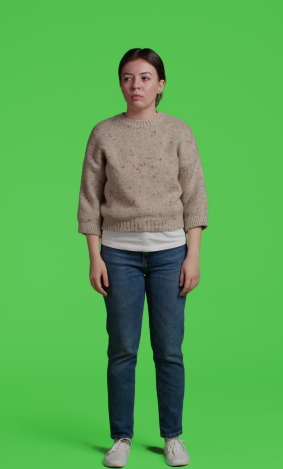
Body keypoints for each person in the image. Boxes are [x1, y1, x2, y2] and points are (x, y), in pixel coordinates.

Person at [77, 48, 209, 468]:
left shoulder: (178, 132)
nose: (137, 85)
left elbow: (195, 196)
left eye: (146, 77)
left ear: (161, 84)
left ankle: (172, 435)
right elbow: (89, 199)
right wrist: (95, 256)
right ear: (120, 83)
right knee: (122, 348)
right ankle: (121, 437)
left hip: (171, 253)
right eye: (129, 77)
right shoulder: (103, 133)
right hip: (118, 254)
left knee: (169, 348)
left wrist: (193, 255)